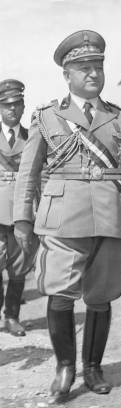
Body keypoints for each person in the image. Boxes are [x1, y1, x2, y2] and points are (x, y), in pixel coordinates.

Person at [12, 30, 121, 399]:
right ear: (67, 74)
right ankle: (65, 367)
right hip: (62, 219)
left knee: (102, 296)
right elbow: (28, 174)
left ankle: (92, 367)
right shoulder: (47, 117)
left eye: (98, 67)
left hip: (110, 219)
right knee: (59, 295)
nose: (93, 74)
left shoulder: (120, 119)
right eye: (85, 67)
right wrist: (22, 221)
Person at [0, 79, 35, 336]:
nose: (12, 109)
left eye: (16, 104)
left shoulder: (32, 137)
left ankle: (11, 317)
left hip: (22, 214)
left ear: (23, 107)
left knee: (19, 268)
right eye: (6, 105)